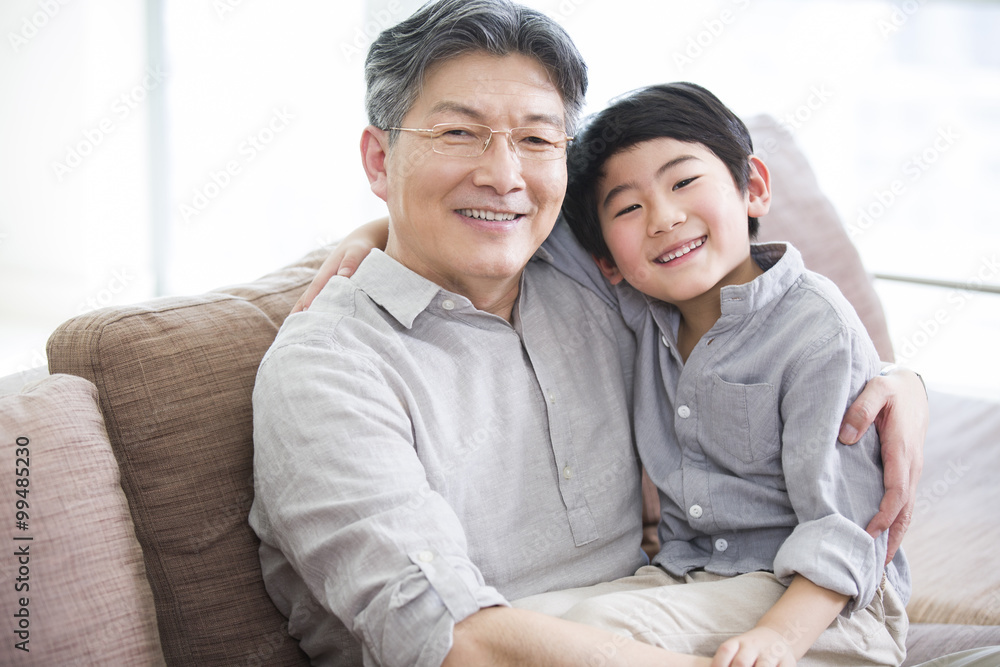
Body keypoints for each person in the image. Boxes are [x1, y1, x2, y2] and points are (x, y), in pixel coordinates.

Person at [253, 1, 927, 665]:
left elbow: (756, 299)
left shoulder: (583, 273)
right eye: (458, 133)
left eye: (538, 139)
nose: (504, 174)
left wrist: (900, 383)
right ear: (379, 159)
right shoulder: (327, 369)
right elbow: (455, 640)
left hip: (694, 611)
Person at [509, 82, 909, 666]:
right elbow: (522, 222)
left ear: (753, 188)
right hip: (693, 580)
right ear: (608, 262)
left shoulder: (815, 328)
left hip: (824, 607)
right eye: (627, 207)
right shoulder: (641, 314)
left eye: (683, 182)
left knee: (595, 629)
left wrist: (777, 638)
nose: (664, 218)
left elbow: (847, 529)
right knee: (512, 626)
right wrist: (377, 234)